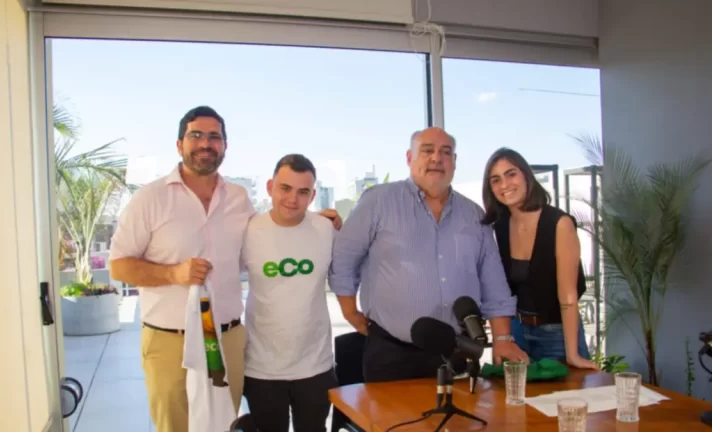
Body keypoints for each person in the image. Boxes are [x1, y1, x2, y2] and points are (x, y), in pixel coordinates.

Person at [109, 106, 341, 432]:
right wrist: (173, 274)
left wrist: (319, 220)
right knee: (176, 426)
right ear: (179, 144)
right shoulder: (151, 198)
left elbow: (277, 232)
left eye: (214, 137)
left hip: (228, 337)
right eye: (196, 135)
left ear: (224, 146)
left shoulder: (238, 198)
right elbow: (119, 267)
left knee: (224, 424)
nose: (206, 143)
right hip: (171, 338)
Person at [328, 127, 529, 383]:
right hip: (391, 354)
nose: (437, 158)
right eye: (427, 151)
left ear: (454, 161)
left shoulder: (474, 215)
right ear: (409, 157)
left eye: (446, 152)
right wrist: (350, 313)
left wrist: (502, 338)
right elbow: (344, 258)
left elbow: (494, 283)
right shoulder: (378, 201)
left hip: (458, 353)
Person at [241, 154, 338, 432]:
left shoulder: (326, 229)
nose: (293, 199)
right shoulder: (248, 231)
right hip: (262, 367)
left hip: (315, 366)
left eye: (303, 192)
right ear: (270, 187)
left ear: (312, 196)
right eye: (285, 188)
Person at [481, 147, 598, 369]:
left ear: (526, 175)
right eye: (496, 180)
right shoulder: (500, 226)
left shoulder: (559, 223)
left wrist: (572, 354)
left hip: (557, 334)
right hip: (517, 332)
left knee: (567, 392)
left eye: (511, 174)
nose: (504, 184)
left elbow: (568, 296)